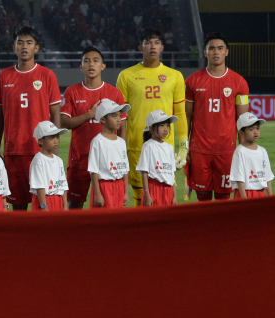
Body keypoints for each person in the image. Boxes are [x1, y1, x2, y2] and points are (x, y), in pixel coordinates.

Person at [116, 28, 187, 207]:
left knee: (166, 194)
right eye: (148, 43)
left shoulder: (175, 76)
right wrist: (120, 144)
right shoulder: (126, 76)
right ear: (140, 47)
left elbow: (179, 113)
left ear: (162, 47)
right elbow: (121, 115)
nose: (152, 47)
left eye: (156, 43)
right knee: (141, 199)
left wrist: (184, 146)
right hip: (136, 145)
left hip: (165, 146)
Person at [0, 26, 61, 210]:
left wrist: (55, 146)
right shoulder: (4, 76)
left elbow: (55, 113)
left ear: (36, 48)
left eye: (29, 43)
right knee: (18, 205)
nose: (24, 46)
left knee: (43, 204)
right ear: (14, 47)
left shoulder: (47, 76)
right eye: (20, 43)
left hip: (40, 151)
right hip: (13, 151)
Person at [184, 31, 250, 202]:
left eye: (220, 48)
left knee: (223, 198)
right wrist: (185, 147)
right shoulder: (192, 81)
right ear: (205, 52)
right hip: (199, 150)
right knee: (203, 198)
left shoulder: (239, 82)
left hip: (226, 151)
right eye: (211, 48)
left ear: (226, 52)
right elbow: (187, 117)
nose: (216, 52)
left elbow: (243, 121)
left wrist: (243, 151)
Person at [61, 47, 127, 209]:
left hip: (107, 164)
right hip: (79, 160)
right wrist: (90, 114)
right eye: (86, 61)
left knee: (108, 209)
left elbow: (122, 129)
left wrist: (120, 154)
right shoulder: (72, 92)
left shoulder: (115, 93)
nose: (91, 64)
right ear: (81, 66)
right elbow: (64, 123)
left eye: (95, 61)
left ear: (103, 66)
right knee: (74, 206)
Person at [88, 99, 131, 208]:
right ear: (103, 119)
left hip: (119, 186)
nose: (118, 120)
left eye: (119, 116)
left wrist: (126, 192)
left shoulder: (121, 142)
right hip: (104, 187)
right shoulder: (97, 141)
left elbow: (125, 169)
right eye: (114, 116)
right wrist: (97, 194)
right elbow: (94, 170)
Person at [138, 110, 178, 206]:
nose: (165, 129)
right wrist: (147, 195)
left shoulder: (169, 147)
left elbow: (171, 175)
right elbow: (144, 173)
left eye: (167, 126)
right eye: (162, 125)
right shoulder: (148, 146)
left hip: (168, 192)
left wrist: (175, 196)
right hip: (154, 189)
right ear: (151, 128)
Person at [230, 113, 272, 199]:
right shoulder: (240, 151)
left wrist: (270, 197)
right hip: (245, 193)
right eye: (251, 129)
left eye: (257, 128)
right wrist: (244, 197)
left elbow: (267, 175)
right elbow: (239, 177)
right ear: (241, 133)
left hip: (261, 193)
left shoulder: (262, 151)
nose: (255, 132)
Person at [29, 121, 69, 211]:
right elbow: (39, 186)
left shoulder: (59, 160)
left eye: (57, 137)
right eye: (51, 138)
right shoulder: (38, 160)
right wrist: (44, 206)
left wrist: (65, 206)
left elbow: (63, 185)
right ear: (40, 140)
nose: (56, 140)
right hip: (44, 201)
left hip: (58, 201)